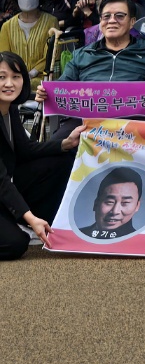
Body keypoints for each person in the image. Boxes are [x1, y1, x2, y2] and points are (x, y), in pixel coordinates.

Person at [36, 0, 145, 141]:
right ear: (100, 22)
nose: (112, 21)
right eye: (106, 17)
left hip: (133, 122)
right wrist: (46, 93)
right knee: (53, 151)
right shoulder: (82, 54)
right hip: (84, 123)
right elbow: (62, 85)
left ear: (132, 22)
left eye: (119, 16)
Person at [0, 51, 85, 259]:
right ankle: (24, 221)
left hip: (7, 185)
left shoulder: (9, 108)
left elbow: (26, 149)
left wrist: (65, 144)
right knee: (16, 244)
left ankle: (44, 222)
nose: (9, 83)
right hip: (2, 184)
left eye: (16, 76)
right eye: (1, 77)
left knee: (61, 162)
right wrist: (30, 218)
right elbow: (0, 180)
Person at [0, 0, 58, 79]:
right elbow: (4, 56)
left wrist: (32, 73)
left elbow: (53, 53)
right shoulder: (7, 26)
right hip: (14, 79)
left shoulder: (51, 21)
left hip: (43, 78)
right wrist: (18, 74)